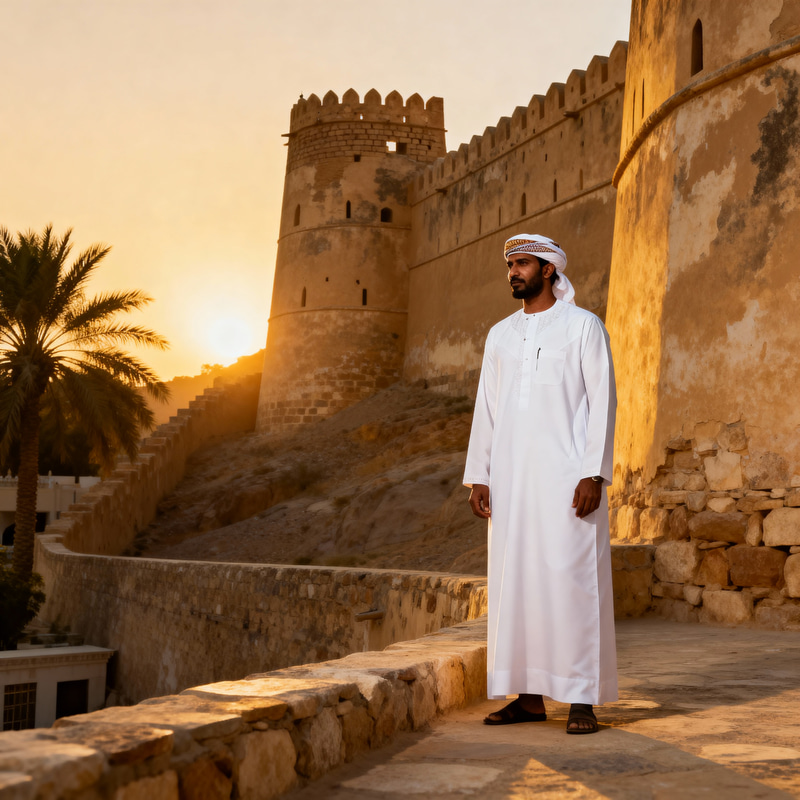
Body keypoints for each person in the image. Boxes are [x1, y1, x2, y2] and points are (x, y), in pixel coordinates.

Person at [464, 233, 617, 734]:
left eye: (523, 263)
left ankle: (581, 700)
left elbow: (603, 404)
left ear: (548, 269)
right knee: (518, 586)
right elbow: (486, 409)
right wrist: (480, 476)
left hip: (568, 481)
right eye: (510, 264)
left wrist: (593, 472)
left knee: (573, 586)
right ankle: (527, 698)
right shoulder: (500, 336)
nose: (514, 272)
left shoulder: (583, 327)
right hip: (511, 481)